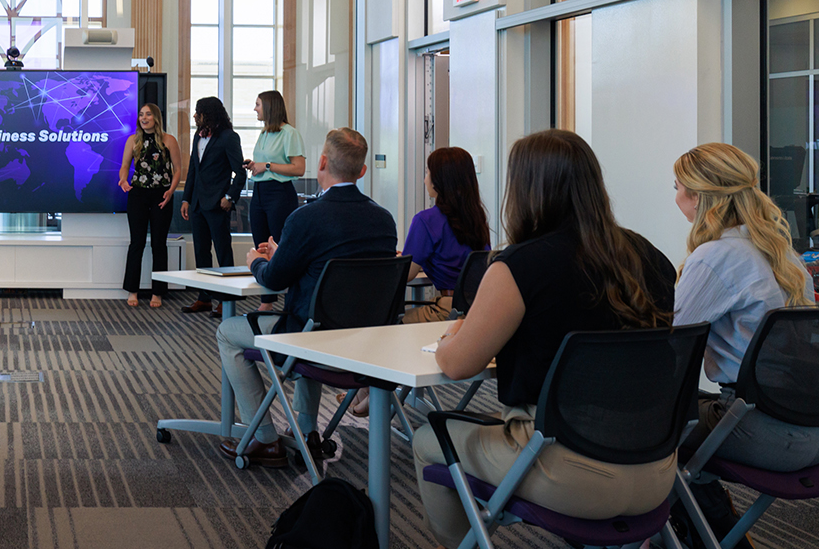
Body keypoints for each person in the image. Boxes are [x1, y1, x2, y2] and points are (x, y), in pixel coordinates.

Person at [417, 129, 678, 547]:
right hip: (658, 469)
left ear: (525, 189)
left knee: (428, 438)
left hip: (564, 467)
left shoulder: (519, 265)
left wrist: (456, 331)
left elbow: (456, 364)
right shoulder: (650, 256)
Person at [212, 127, 396, 467]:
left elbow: (273, 280)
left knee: (228, 333)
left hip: (311, 341)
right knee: (318, 315)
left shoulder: (306, 218)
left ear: (322, 162)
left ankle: (265, 439)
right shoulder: (384, 221)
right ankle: (308, 433)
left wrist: (258, 261)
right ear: (362, 171)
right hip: (365, 345)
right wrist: (286, 253)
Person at [671, 142, 819, 538]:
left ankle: (708, 534)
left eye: (677, 187)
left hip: (761, 430)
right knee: (683, 416)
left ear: (700, 197)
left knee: (646, 426)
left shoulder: (715, 256)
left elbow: (669, 343)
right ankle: (715, 528)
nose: (676, 199)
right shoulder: (782, 254)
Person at [401, 147, 491, 323]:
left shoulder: (425, 220)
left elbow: (405, 274)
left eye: (427, 173)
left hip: (448, 310)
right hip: (478, 309)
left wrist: (403, 260)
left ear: (440, 180)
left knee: (391, 322)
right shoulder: (478, 220)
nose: (425, 180)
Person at [179, 97, 248, 318]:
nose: (194, 116)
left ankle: (225, 300)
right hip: (198, 203)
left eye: (198, 112)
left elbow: (241, 172)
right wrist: (186, 199)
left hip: (218, 203)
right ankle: (204, 298)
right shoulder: (197, 137)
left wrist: (230, 196)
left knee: (223, 252)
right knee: (201, 252)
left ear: (208, 114)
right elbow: (193, 171)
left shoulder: (229, 138)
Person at [241, 91, 304, 312]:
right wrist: (255, 164)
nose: (255, 109)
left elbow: (299, 168)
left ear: (269, 107)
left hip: (279, 194)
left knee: (279, 246)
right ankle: (266, 301)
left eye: (257, 104)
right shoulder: (265, 133)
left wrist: (267, 166)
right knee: (261, 245)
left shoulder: (290, 133)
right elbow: (265, 163)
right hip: (260, 192)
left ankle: (289, 300)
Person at [117, 103, 183, 308]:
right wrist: (123, 180)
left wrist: (171, 192)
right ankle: (132, 290)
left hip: (161, 195)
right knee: (136, 243)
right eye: (140, 115)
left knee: (158, 244)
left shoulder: (169, 140)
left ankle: (158, 292)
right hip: (137, 194)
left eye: (147, 114)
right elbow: (125, 166)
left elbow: (178, 169)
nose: (143, 118)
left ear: (156, 117)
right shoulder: (133, 140)